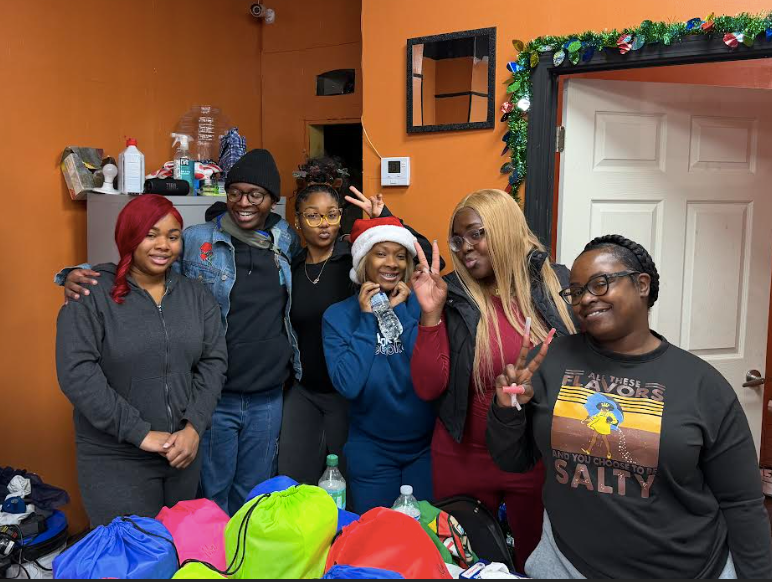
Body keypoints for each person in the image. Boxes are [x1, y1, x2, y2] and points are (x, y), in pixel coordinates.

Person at [486, 234, 772, 579]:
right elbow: (512, 460)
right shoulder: (549, 362)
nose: (585, 299)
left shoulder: (702, 385)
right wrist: (508, 409)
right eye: (576, 291)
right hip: (567, 564)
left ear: (641, 284)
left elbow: (742, 502)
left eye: (600, 283)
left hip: (686, 570)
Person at [59, 149, 301, 516]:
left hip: (260, 397)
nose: (245, 202)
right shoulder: (197, 241)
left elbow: (211, 355)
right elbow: (136, 261)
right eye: (236, 191)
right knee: (205, 508)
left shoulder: (284, 242)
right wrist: (73, 273)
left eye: (257, 194)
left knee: (250, 503)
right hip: (208, 406)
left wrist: (191, 427)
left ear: (273, 200)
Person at [409, 189, 575, 571]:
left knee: (536, 563)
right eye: (458, 238)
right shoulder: (451, 295)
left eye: (477, 234)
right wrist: (430, 316)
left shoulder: (556, 285)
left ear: (503, 229)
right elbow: (428, 387)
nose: (465, 247)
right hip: (462, 457)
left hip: (535, 459)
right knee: (466, 565)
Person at [55, 195, 227, 527]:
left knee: (178, 557)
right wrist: (141, 433)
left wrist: (193, 428)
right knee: (130, 559)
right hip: (115, 457)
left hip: (180, 454)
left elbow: (213, 361)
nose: (163, 245)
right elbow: (77, 373)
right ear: (129, 237)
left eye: (173, 236)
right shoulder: (90, 293)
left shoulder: (196, 295)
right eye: (151, 234)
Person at [279, 157, 441, 487]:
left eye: (332, 215)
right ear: (298, 222)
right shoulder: (290, 267)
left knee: (347, 480)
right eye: (313, 216)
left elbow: (412, 250)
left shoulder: (353, 259)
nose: (323, 223)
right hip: (312, 385)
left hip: (355, 398)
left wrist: (385, 219)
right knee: (299, 475)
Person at [323, 217, 437, 513]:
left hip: (424, 450)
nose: (392, 263)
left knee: (424, 540)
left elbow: (429, 374)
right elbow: (348, 385)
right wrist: (366, 319)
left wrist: (410, 316)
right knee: (375, 540)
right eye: (381, 253)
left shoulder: (421, 307)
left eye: (400, 256)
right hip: (371, 451)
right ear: (364, 260)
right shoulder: (337, 317)